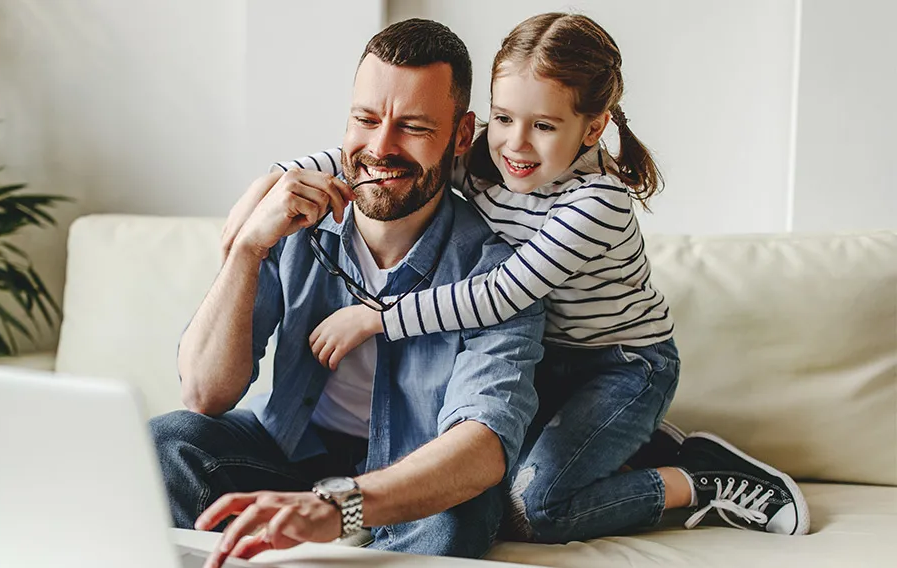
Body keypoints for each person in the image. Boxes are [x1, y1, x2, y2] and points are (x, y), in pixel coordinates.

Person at [227, 13, 810, 542]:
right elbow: (385, 154)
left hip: (621, 365)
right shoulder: (488, 157)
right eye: (503, 118)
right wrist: (274, 182)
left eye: (544, 126)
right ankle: (628, 444)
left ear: (592, 126)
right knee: (469, 477)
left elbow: (503, 292)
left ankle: (697, 480)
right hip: (547, 357)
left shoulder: (598, 200)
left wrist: (378, 317)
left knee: (532, 507)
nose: (516, 145)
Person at [158, 19, 546, 567]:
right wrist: (248, 250)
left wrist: (342, 508)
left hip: (415, 475)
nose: (380, 148)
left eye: (412, 127)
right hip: (295, 449)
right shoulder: (295, 223)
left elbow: (481, 447)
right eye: (365, 120)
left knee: (460, 513)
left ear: (462, 136)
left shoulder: (502, 272)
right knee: (170, 441)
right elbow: (204, 395)